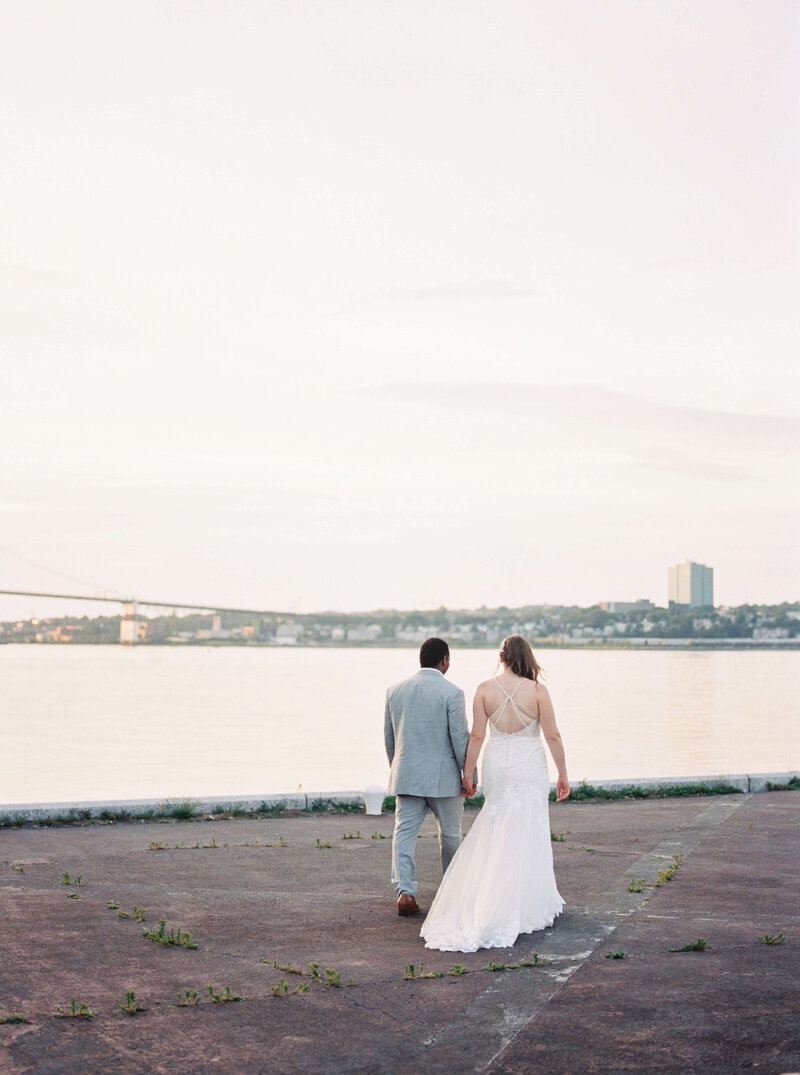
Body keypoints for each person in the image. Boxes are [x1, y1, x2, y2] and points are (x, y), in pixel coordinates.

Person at [420, 635, 570, 951]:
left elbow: (476, 736)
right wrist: (563, 775)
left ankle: (486, 898)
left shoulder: (484, 689)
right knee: (527, 825)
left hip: (498, 763)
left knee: (496, 824)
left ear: (500, 657)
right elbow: (552, 736)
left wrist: (468, 774)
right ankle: (523, 900)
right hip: (529, 763)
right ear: (526, 657)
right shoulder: (538, 691)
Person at [384, 637, 472, 916]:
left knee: (404, 833)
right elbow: (459, 738)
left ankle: (405, 893)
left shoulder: (395, 690)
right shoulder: (452, 692)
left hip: (407, 775)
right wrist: (469, 773)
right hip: (444, 780)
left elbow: (390, 738)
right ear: (444, 660)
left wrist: (398, 769)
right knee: (450, 835)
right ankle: (452, 892)